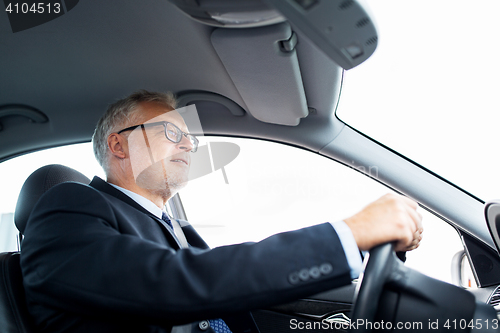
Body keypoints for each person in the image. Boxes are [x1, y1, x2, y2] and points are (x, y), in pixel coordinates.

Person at [20, 90, 423, 333]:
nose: (188, 146)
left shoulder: (176, 228)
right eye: (171, 133)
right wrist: (346, 235)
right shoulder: (67, 206)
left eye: (189, 138)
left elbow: (223, 281)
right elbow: (172, 284)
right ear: (119, 146)